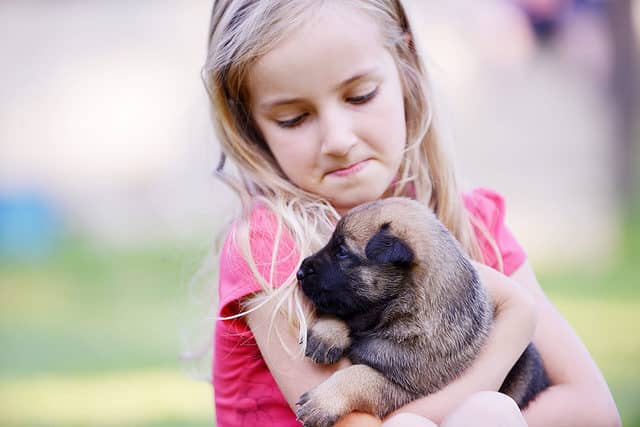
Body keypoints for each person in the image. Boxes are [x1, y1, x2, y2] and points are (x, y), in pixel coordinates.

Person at [202, 1, 620, 426]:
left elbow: (593, 412)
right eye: (293, 118)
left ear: (405, 63)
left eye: (360, 94)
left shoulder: (471, 224)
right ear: (249, 121)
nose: (338, 140)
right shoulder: (268, 247)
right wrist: (498, 355)